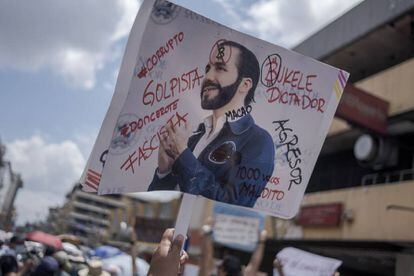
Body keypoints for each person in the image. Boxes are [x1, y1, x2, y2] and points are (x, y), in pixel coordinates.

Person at [148, 40, 275, 207]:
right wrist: (164, 172)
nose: (207, 76)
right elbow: (168, 202)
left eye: (220, 68)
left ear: (245, 84)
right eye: (207, 69)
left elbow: (233, 204)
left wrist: (182, 155)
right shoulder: (197, 134)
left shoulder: (259, 141)